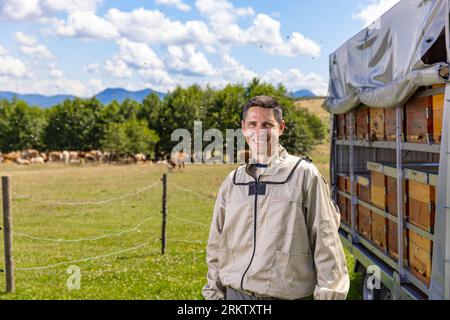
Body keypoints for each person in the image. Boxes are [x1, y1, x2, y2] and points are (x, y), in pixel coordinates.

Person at [202, 95, 350, 300]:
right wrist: (213, 293)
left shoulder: (304, 175)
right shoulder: (233, 182)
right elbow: (216, 244)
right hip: (235, 296)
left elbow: (326, 244)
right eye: (252, 124)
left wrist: (329, 294)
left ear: (281, 128)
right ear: (243, 128)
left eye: (267, 124)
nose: (259, 132)